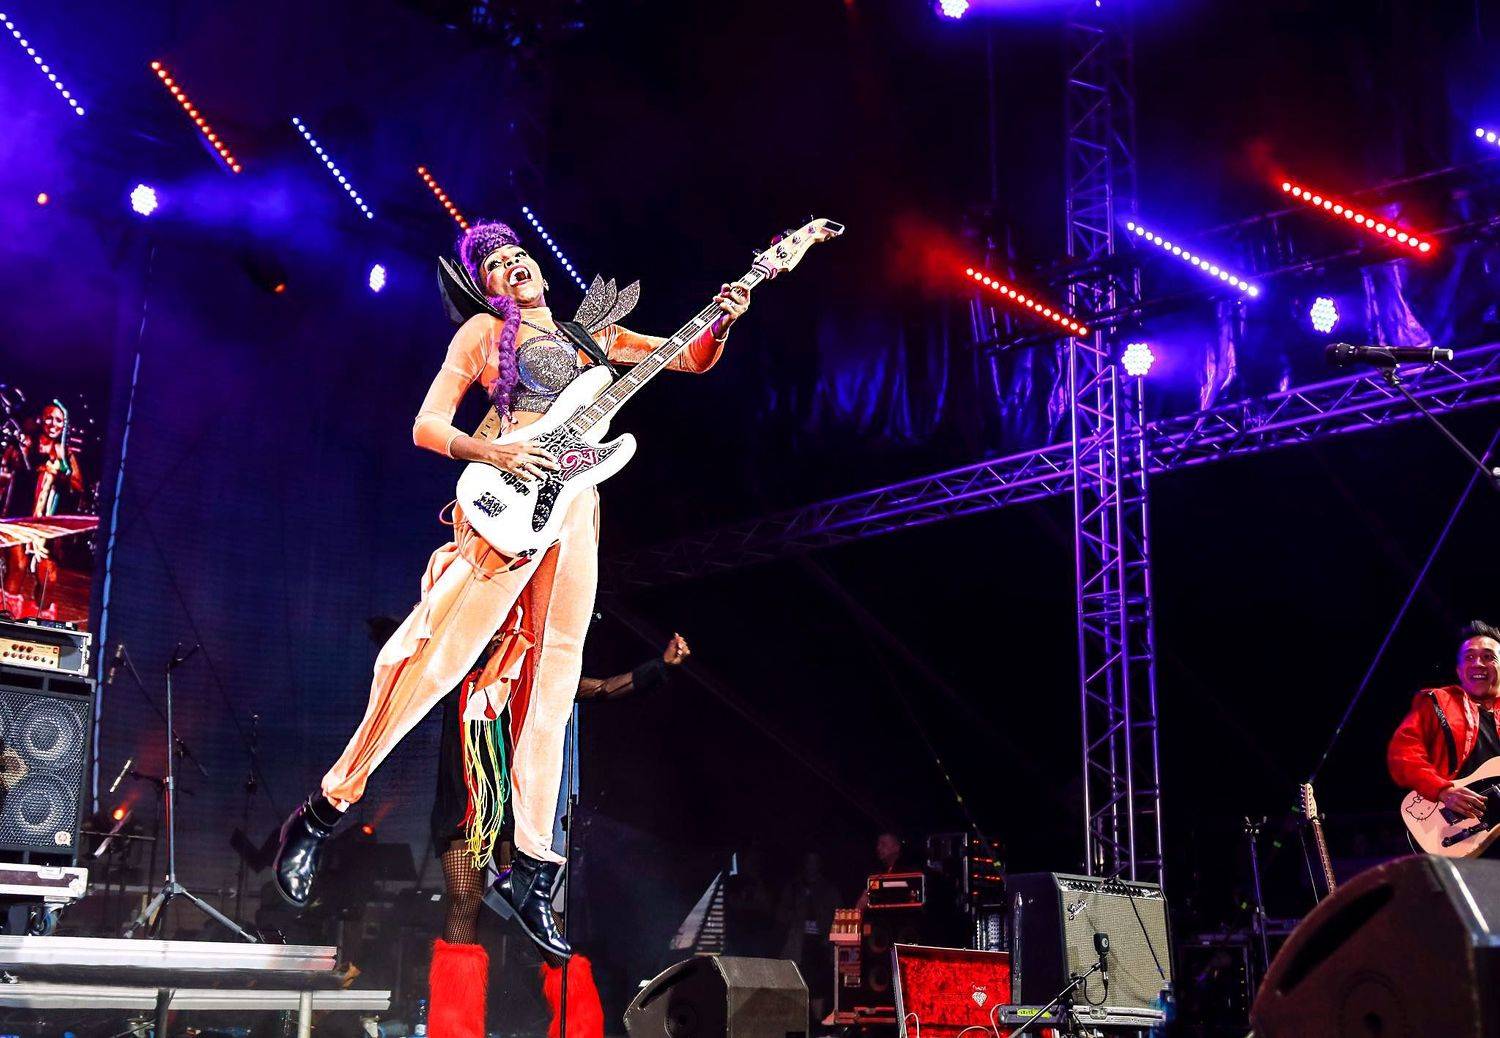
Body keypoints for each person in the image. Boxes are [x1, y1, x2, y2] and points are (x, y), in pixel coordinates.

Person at [272, 219, 751, 962]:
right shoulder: (482, 337)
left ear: (540, 267)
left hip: (575, 510)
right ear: (487, 288)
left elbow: (685, 357)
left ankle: (531, 865)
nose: (512, 263)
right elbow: (428, 425)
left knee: (553, 688)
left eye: (517, 253)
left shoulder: (596, 334)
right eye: (495, 263)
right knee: (433, 659)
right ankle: (323, 811)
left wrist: (723, 318)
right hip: (506, 499)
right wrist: (491, 449)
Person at [430, 632, 690, 1038]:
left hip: (514, 812)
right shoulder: (455, 675)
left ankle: (579, 1024)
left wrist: (661, 666)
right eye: (494, 633)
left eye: (507, 634)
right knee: (464, 899)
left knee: (534, 911)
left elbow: (603, 688)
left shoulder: (531, 681)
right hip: (464, 807)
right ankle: (453, 1030)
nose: (500, 640)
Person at [1388, 620, 1500, 827]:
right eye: (1469, 657)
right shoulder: (1437, 702)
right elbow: (1403, 756)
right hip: (1456, 829)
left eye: (1488, 657)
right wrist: (1443, 790)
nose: (1478, 663)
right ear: (1459, 670)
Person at [1, 401, 84, 619]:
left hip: (45, 528)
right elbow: (5, 468)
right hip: (19, 520)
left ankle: (38, 626)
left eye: (58, 420)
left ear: (64, 425)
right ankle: (5, 621)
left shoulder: (65, 454)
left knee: (48, 579)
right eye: (49, 418)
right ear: (40, 419)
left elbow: (78, 485)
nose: (53, 424)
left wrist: (60, 475)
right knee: (18, 566)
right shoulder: (26, 443)